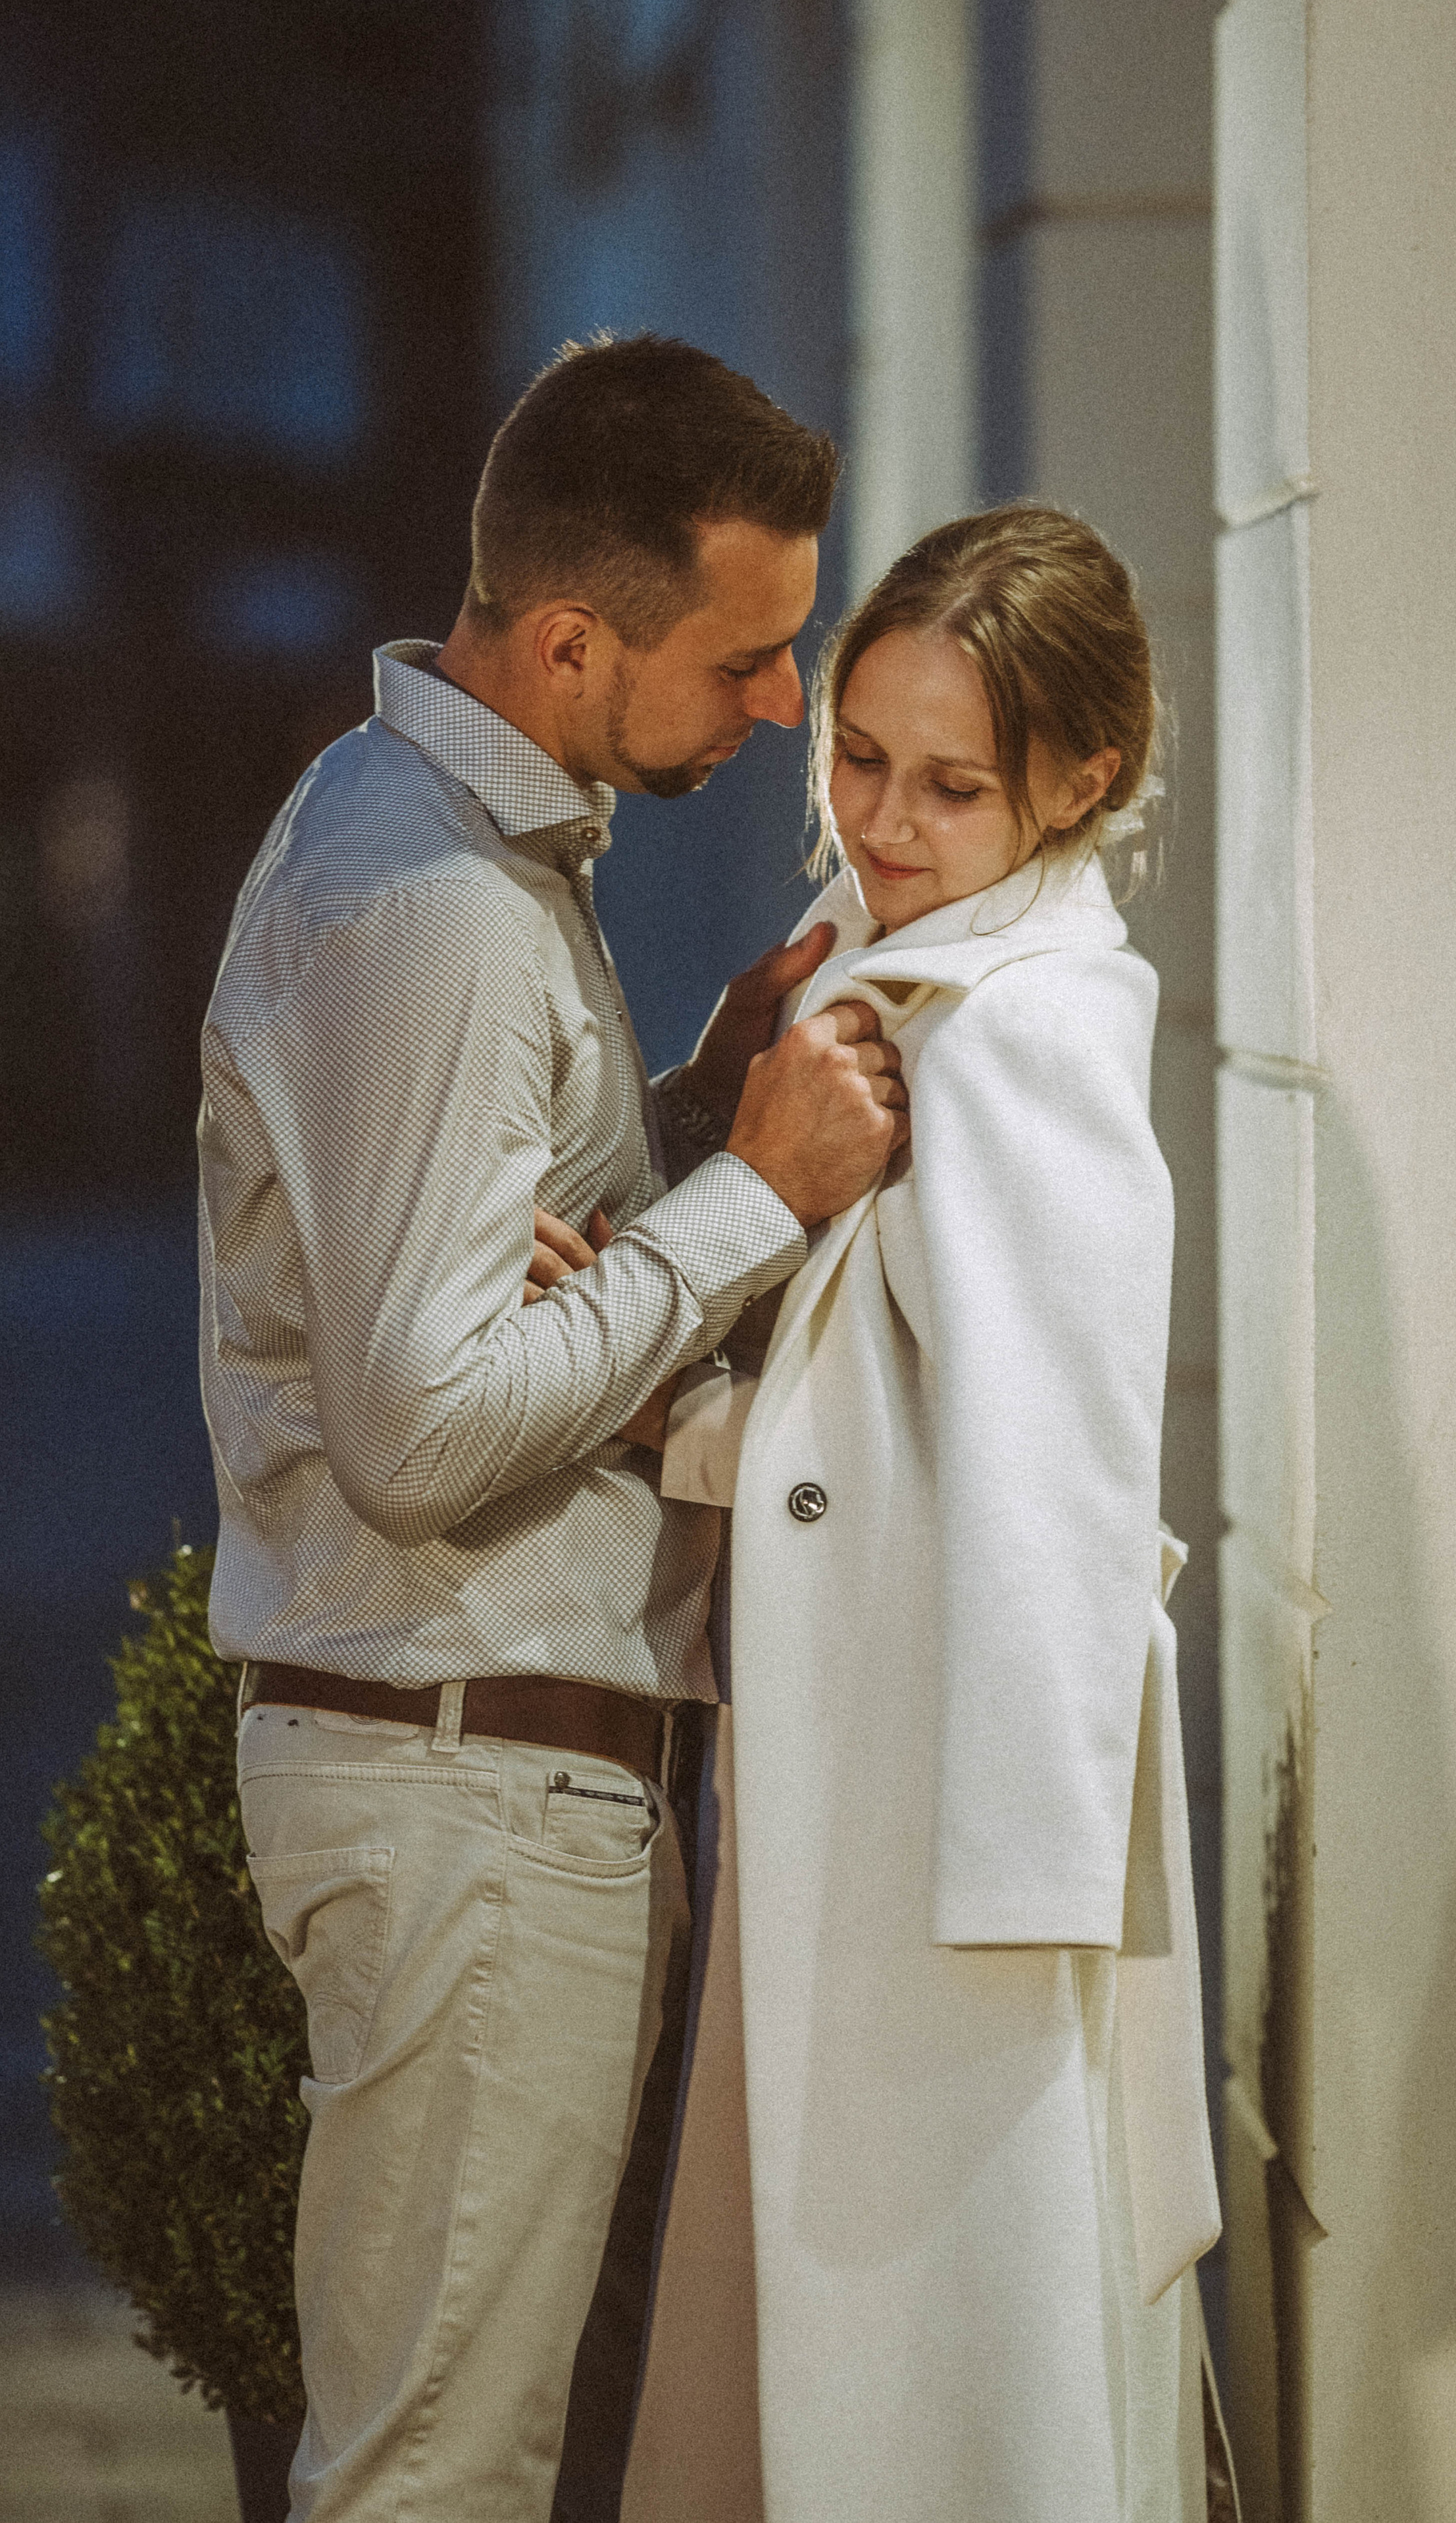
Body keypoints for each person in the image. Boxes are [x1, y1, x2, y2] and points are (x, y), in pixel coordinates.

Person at [197, 334, 908, 2523]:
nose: (788, 708)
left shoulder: (457, 849)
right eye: (756, 658)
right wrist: (750, 1196)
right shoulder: (437, 917)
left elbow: (483, 1275)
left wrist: (685, 1110)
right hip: (466, 1790)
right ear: (575, 638)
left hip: (475, 1782)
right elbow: (422, 1432)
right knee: (439, 2485)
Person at [627, 504, 1231, 2521]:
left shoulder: (1019, 1029)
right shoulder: (903, 981)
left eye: (951, 781)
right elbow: (862, 1426)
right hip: (887, 1801)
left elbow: (1054, 1477)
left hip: (955, 1861)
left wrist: (1028, 1910)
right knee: (887, 2395)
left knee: (948, 2398)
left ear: (1083, 779)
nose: (884, 816)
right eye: (859, 756)